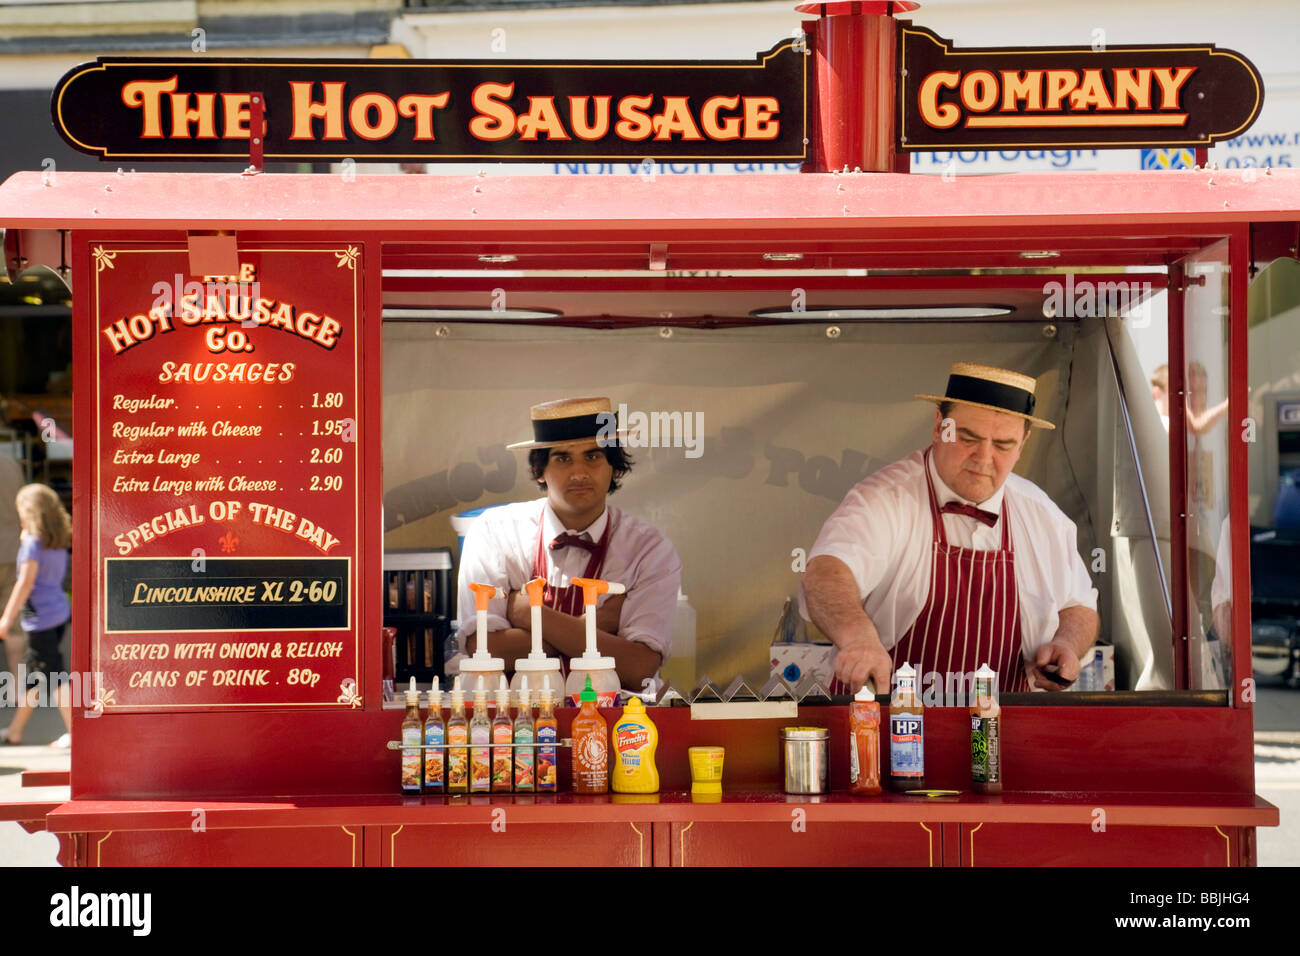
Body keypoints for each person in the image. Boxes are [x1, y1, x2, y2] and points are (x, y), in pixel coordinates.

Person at [801, 362, 1099, 695]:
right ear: (938, 426)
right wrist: (858, 639)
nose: (983, 458)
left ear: (1023, 443)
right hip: (889, 726)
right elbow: (826, 572)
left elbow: (1078, 605)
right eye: (968, 437)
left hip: (999, 732)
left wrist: (1067, 643)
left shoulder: (1042, 514)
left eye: (1002, 445)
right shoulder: (884, 499)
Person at [455, 397, 681, 689]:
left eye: (593, 456)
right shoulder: (495, 533)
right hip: (516, 726)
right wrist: (597, 627)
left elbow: (639, 668)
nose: (579, 473)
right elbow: (486, 650)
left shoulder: (649, 550)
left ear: (614, 467)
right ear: (540, 470)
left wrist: (527, 613)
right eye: (562, 458)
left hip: (618, 725)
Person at [0, 484, 72, 746]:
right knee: (37, 676)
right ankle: (15, 731)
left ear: (28, 511)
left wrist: (7, 618)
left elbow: (25, 583)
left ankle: (75, 733)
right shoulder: (57, 539)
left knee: (54, 675)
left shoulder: (32, 543)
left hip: (39, 619)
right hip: (58, 612)